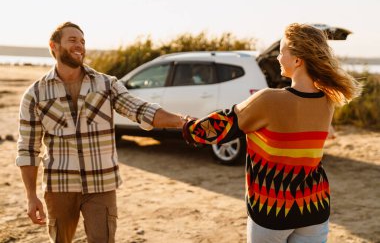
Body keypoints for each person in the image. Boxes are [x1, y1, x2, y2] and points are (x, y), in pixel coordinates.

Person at [182, 23, 361, 243]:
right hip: (315, 207)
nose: (277, 57)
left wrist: (184, 124)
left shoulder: (268, 99)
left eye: (282, 51)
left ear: (297, 60)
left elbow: (218, 128)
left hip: (273, 210)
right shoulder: (328, 100)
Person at [16, 22, 187, 243]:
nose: (80, 46)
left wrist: (183, 122)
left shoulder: (106, 84)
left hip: (101, 184)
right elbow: (28, 149)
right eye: (73, 40)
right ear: (54, 46)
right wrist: (31, 196)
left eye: (83, 41)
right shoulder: (35, 94)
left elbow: (139, 109)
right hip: (59, 185)